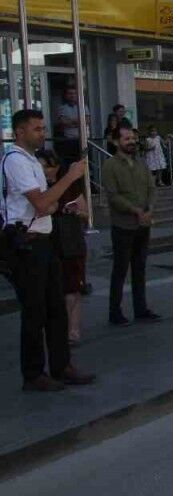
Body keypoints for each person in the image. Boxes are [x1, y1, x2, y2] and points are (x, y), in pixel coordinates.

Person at [3, 110, 94, 391]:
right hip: (27, 244)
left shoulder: (31, 161)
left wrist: (49, 202)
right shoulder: (15, 160)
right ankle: (33, 374)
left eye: (43, 128)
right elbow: (43, 204)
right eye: (36, 129)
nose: (42, 133)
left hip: (44, 239)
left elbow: (49, 205)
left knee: (56, 307)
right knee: (35, 311)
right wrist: (70, 176)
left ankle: (60, 365)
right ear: (20, 132)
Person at [102, 124, 159, 326]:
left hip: (143, 225)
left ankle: (140, 309)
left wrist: (149, 210)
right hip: (123, 226)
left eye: (133, 138)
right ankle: (115, 312)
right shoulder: (110, 166)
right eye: (126, 139)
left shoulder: (141, 163)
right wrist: (135, 210)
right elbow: (113, 196)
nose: (132, 142)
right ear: (116, 141)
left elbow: (152, 188)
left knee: (139, 268)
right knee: (120, 270)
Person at [37, 151, 87, 346]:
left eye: (47, 166)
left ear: (57, 167)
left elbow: (85, 213)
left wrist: (76, 211)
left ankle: (72, 331)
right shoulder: (37, 188)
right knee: (54, 290)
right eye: (40, 166)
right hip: (48, 242)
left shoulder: (70, 186)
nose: (44, 170)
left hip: (71, 241)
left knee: (73, 288)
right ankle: (57, 330)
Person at [53, 85, 82, 162]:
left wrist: (70, 121)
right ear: (66, 96)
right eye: (70, 93)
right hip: (68, 139)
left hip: (82, 139)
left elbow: (87, 121)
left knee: (84, 161)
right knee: (71, 161)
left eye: (74, 93)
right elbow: (63, 122)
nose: (72, 95)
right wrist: (78, 121)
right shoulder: (62, 108)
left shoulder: (82, 107)